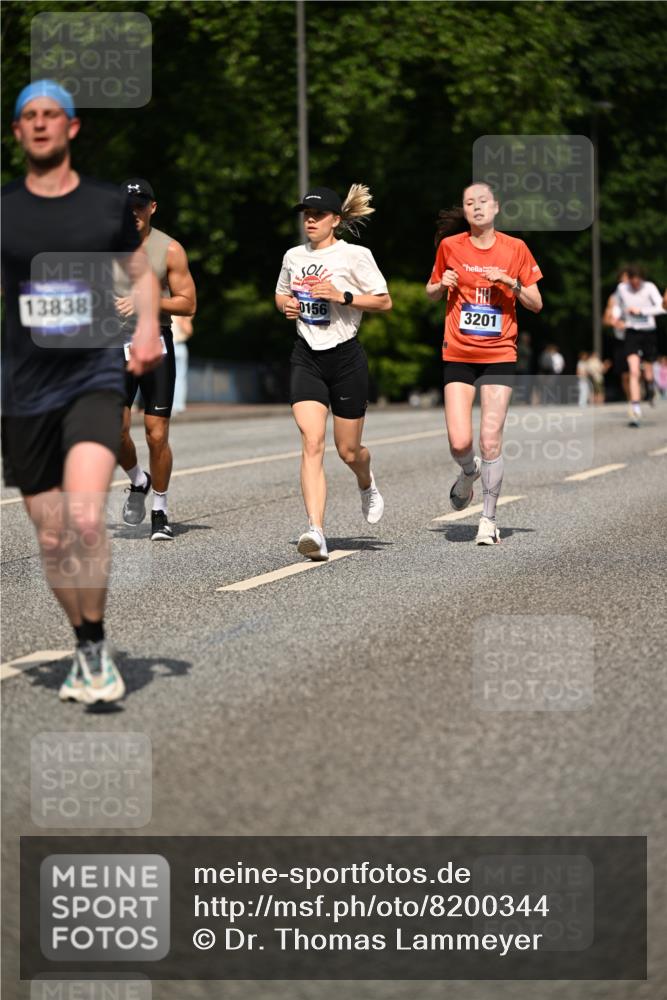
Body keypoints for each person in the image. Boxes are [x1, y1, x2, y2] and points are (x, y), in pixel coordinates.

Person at [1, 81, 162, 704]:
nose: (41, 124)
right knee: (50, 534)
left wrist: (147, 326)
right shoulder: (7, 210)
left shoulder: (104, 205)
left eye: (52, 115)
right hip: (23, 389)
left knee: (87, 518)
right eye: (29, 116)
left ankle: (94, 652)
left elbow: (140, 274)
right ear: (19, 132)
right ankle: (84, 637)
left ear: (71, 128)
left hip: (93, 375)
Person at [275, 185, 392, 561]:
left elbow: (384, 301)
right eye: (306, 215)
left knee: (348, 450)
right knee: (312, 443)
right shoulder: (293, 256)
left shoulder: (355, 255)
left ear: (335, 220)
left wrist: (342, 296)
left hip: (345, 358)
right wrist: (288, 306)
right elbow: (280, 294)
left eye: (318, 215)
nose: (309, 220)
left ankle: (365, 480)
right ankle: (316, 530)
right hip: (306, 356)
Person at [425, 181, 543, 545]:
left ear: (496, 208)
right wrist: (440, 284)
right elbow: (430, 292)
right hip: (458, 352)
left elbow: (536, 303)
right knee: (460, 441)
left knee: (490, 439)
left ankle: (488, 520)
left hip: (499, 354)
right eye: (469, 203)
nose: (476, 207)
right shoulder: (450, 246)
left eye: (482, 202)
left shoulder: (516, 248)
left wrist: (510, 282)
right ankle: (467, 471)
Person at [115, 179, 197, 539]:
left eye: (139, 205)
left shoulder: (170, 249)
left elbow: (187, 303)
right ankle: (138, 481)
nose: (133, 212)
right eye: (126, 205)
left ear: (152, 208)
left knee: (156, 432)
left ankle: (160, 510)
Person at [615, 265, 665, 426]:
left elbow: (662, 308)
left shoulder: (649, 287)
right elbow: (617, 305)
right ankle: (635, 409)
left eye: (638, 282)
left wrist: (642, 311)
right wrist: (617, 318)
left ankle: (650, 386)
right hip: (632, 332)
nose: (635, 285)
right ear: (628, 279)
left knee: (648, 372)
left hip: (648, 331)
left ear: (642, 279)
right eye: (633, 282)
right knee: (634, 371)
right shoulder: (622, 288)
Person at [603, 268, 630, 403]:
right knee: (625, 375)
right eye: (623, 279)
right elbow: (605, 319)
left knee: (636, 371)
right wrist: (616, 323)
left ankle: (642, 391)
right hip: (621, 339)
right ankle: (632, 399)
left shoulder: (638, 294)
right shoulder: (613, 298)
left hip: (636, 336)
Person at [172, 313, 193, 414]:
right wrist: (187, 320)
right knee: (180, 378)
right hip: (180, 346)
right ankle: (179, 405)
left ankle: (171, 405)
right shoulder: (180, 313)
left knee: (166, 377)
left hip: (166, 345)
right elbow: (189, 331)